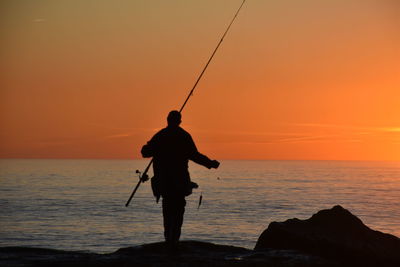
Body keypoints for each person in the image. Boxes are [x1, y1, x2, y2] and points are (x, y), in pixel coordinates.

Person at [141, 110, 220, 251]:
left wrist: (149, 147)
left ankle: (168, 239)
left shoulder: (160, 136)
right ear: (179, 121)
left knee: (167, 208)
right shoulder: (183, 136)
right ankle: (174, 239)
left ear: (167, 120)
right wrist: (210, 163)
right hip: (179, 180)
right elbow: (195, 155)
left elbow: (145, 152)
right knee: (178, 208)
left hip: (163, 180)